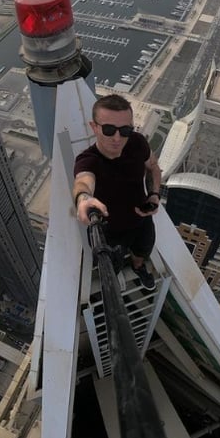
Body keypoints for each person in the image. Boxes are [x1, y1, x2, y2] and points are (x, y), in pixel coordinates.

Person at [73, 94, 161, 291]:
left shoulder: (137, 142)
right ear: (94, 127)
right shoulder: (88, 160)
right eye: (109, 129)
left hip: (141, 220)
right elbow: (83, 181)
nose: (117, 137)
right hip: (108, 231)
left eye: (125, 130)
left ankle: (138, 268)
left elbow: (153, 167)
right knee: (112, 264)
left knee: (142, 252)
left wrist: (154, 194)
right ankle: (117, 272)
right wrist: (83, 199)